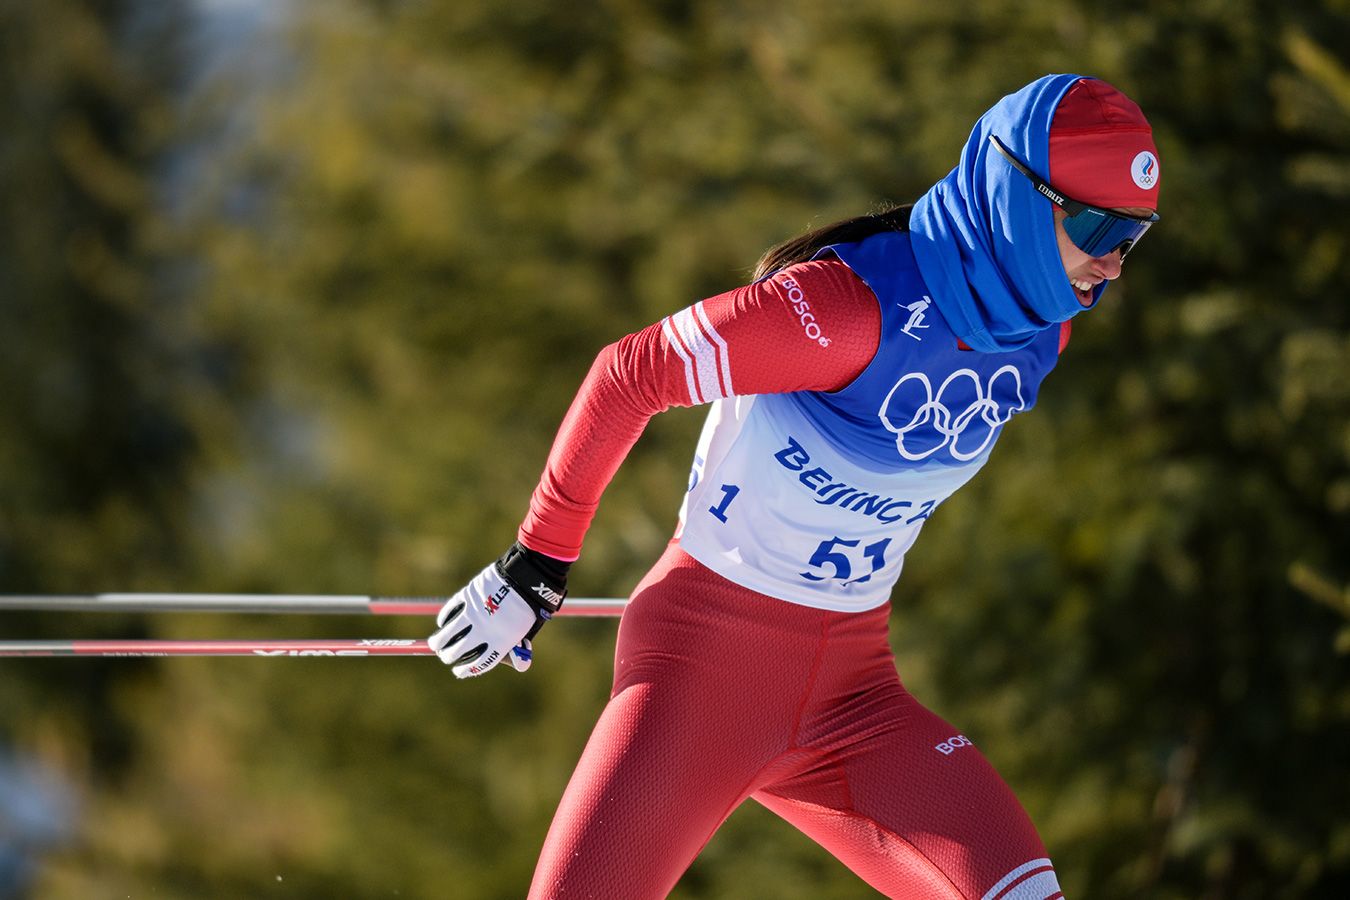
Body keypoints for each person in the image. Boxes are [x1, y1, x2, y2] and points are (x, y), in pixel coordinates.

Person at [428, 73, 1161, 899]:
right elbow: (627, 373)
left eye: (1132, 238)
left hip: (854, 698)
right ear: (1017, 203)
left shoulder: (1041, 332)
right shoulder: (841, 310)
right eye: (1098, 225)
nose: (1113, 263)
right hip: (702, 675)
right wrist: (535, 567)